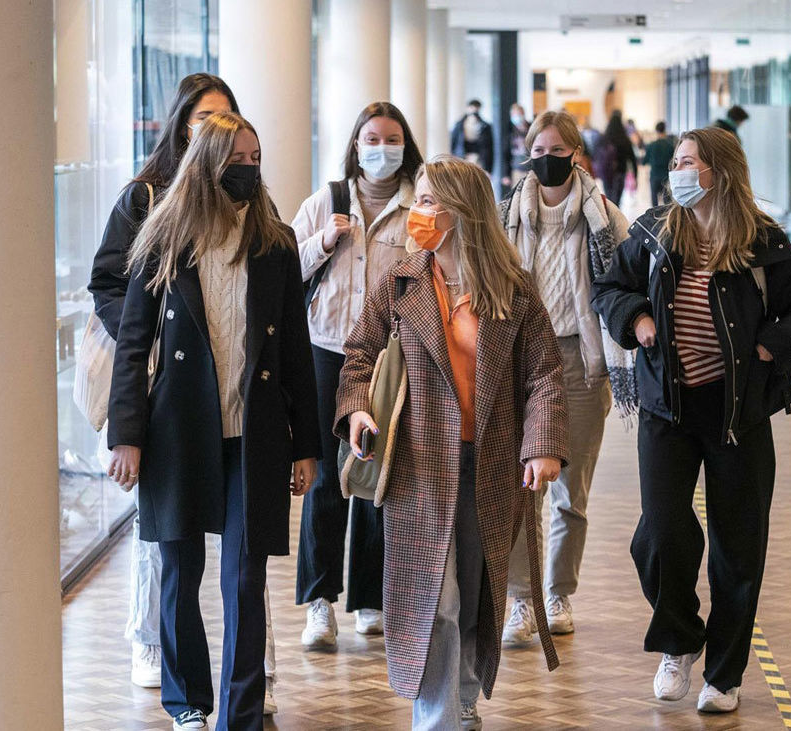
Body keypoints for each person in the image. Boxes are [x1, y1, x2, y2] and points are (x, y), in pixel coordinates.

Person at [592, 127, 791, 714]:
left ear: (719, 172)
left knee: (738, 547)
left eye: (687, 163)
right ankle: (679, 640)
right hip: (667, 408)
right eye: (675, 163)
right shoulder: (654, 231)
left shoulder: (761, 241)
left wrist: (772, 345)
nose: (677, 172)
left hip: (737, 412)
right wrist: (636, 319)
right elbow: (609, 286)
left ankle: (724, 675)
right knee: (660, 533)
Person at [335, 155, 569, 729]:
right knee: (435, 598)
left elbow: (543, 373)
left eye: (427, 202)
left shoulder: (513, 289)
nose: (416, 213)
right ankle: (438, 718)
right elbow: (359, 356)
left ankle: (461, 701)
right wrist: (358, 410)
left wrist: (542, 444)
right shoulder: (400, 283)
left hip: (489, 465)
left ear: (462, 212)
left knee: (474, 593)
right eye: (417, 200)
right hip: (418, 464)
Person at [106, 112, 320, 731]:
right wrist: (127, 436)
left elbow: (295, 353)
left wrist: (305, 446)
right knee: (179, 571)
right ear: (205, 164)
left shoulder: (276, 243)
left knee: (245, 578)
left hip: (254, 436)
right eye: (235, 160)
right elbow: (133, 342)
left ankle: (241, 714)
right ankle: (187, 703)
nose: (248, 169)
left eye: (255, 158)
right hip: (177, 431)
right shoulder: (165, 236)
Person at [291, 101, 423, 649]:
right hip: (325, 350)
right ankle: (319, 602)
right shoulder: (326, 201)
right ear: (355, 144)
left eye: (392, 139)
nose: (381, 149)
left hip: (388, 357)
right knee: (326, 478)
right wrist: (324, 241)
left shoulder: (419, 205)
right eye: (372, 138)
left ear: (405, 145)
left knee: (376, 471)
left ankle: (372, 598)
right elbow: (284, 267)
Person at [496, 110, 629, 646]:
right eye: (538, 151)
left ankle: (558, 592)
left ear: (577, 154)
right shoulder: (505, 214)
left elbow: (624, 283)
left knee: (571, 491)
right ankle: (521, 599)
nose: (547, 159)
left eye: (558, 151)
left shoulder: (605, 217)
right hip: (520, 357)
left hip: (580, 357)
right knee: (521, 485)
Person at [595, 110, 639, 205]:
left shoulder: (603, 138)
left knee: (608, 196)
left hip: (607, 172)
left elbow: (596, 155)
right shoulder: (625, 140)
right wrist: (635, 176)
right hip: (620, 171)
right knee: (617, 199)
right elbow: (632, 159)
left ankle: (609, 212)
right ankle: (615, 211)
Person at [450, 99, 494, 174]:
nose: (474, 111)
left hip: (479, 157)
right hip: (463, 156)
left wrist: (489, 169)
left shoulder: (485, 126)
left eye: (476, 109)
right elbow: (453, 143)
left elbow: (489, 147)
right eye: (472, 108)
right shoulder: (459, 125)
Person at [643, 122, 676, 208]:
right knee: (667, 202)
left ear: (656, 131)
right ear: (665, 130)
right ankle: (668, 216)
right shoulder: (670, 146)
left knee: (654, 201)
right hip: (666, 177)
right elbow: (674, 162)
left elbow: (644, 161)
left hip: (654, 176)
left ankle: (654, 216)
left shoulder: (651, 145)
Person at [502, 103, 532, 190]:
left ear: (523, 114)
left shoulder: (531, 128)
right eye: (514, 115)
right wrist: (505, 174)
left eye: (519, 114)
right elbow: (505, 153)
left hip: (530, 169)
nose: (517, 117)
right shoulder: (509, 130)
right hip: (516, 169)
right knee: (516, 193)